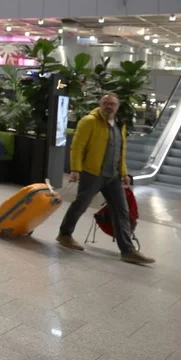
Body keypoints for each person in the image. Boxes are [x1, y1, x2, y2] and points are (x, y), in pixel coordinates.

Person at [57, 94, 155, 264]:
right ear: (100, 104)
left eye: (112, 104)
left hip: (113, 176)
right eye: (106, 103)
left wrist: (124, 173)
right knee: (81, 204)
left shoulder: (119, 124)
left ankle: (128, 250)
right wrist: (75, 169)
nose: (109, 106)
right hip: (92, 173)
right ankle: (65, 234)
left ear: (117, 106)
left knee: (121, 211)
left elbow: (121, 151)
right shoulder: (89, 121)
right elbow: (77, 146)